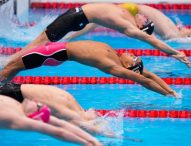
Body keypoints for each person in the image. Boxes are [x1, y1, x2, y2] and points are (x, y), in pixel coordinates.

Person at [8, 3, 190, 67]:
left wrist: (175, 53)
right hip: (76, 16)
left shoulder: (129, 26)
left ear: (141, 26)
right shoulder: (128, 14)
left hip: (75, 18)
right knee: (41, 42)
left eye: (145, 20)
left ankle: (10, 61)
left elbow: (152, 41)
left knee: (41, 42)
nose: (144, 16)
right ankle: (12, 59)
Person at [0, 41, 180, 98]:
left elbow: (143, 79)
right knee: (13, 67)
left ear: (127, 66)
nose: (132, 53)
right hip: (57, 51)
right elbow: (146, 73)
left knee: (11, 66)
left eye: (133, 58)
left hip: (55, 52)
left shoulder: (113, 65)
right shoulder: (116, 56)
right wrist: (171, 89)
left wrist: (168, 95)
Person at [0, 82, 115, 136]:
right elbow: (78, 128)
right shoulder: (71, 112)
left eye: (97, 117)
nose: (97, 113)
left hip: (15, 89)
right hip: (14, 92)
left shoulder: (74, 107)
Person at [0, 94, 103, 146]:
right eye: (39, 105)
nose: (36, 101)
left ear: (35, 117)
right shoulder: (18, 106)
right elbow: (61, 126)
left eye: (38, 106)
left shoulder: (18, 119)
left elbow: (59, 131)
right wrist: (92, 141)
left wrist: (89, 143)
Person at [67, 3, 191, 40]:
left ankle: (70, 35)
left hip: (135, 10)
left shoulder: (170, 32)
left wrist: (71, 36)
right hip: (137, 10)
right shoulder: (170, 31)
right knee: (96, 20)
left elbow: (93, 24)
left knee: (96, 20)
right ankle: (71, 35)